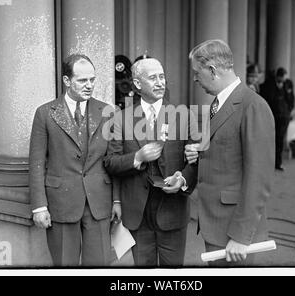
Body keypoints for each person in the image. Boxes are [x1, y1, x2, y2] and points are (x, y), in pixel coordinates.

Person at [185, 39, 275, 266]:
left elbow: (259, 177)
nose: (195, 79)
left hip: (233, 231)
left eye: (197, 72)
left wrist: (241, 236)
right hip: (216, 225)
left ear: (212, 70)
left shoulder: (253, 106)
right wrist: (201, 152)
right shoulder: (218, 104)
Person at [104, 57, 197, 267]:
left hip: (173, 209)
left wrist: (182, 180)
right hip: (138, 212)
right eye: (153, 77)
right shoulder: (121, 118)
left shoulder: (184, 115)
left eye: (162, 76)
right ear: (137, 84)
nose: (160, 82)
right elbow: (110, 162)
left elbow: (196, 161)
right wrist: (137, 158)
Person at [29, 54, 121, 266]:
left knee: (99, 265)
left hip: (99, 201)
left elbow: (113, 159)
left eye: (92, 79)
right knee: (64, 265)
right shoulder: (45, 113)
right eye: (82, 80)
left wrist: (117, 200)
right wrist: (39, 206)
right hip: (61, 202)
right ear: (67, 81)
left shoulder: (108, 112)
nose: (89, 85)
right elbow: (36, 163)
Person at [266, 67, 295, 171]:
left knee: (280, 140)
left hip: (284, 117)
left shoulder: (287, 84)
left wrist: (289, 110)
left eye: (284, 78)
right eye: (281, 77)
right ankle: (270, 162)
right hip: (273, 116)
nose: (283, 80)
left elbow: (291, 98)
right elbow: (268, 99)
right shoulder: (270, 84)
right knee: (271, 139)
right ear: (277, 76)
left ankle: (278, 163)